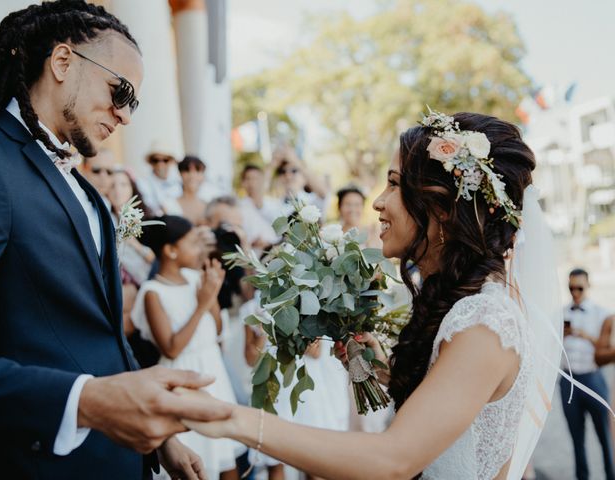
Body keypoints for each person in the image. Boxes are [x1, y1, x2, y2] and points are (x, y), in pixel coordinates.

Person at [176, 111, 562, 480]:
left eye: (394, 184)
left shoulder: (484, 323)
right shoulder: (464, 306)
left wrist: (232, 418)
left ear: (442, 207)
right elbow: (446, 421)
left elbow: (394, 459)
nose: (378, 201)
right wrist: (377, 369)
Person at [0, 2, 230, 478]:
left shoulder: (86, 190)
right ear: (63, 62)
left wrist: (162, 435)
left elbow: (103, 332)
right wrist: (84, 403)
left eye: (134, 103)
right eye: (121, 91)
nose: (126, 116)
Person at [132, 216, 241, 480]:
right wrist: (202, 304)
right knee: (196, 464)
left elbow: (215, 330)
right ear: (170, 250)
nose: (199, 250)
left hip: (212, 372)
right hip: (183, 380)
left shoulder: (195, 278)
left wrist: (212, 295)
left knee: (227, 460)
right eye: (192, 243)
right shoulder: (152, 292)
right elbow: (171, 348)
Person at [561, 268, 615, 480]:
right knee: (576, 438)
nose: (575, 292)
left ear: (588, 286)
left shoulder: (602, 314)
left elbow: (605, 349)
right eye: (571, 288)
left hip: (593, 379)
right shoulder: (561, 312)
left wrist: (585, 336)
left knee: (605, 435)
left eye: (579, 288)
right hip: (568, 381)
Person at [269, 148, 330, 220]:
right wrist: (272, 165)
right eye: (282, 171)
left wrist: (296, 160)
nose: (288, 176)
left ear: (304, 178)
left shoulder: (312, 200)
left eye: (294, 171)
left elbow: (323, 193)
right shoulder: (272, 206)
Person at [238, 164, 281, 252]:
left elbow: (281, 231)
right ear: (243, 182)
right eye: (248, 179)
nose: (252, 183)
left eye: (256, 178)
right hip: (252, 255)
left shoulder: (275, 204)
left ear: (262, 180)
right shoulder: (238, 207)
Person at [137, 142, 183, 216]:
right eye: (156, 160)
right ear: (151, 162)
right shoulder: (142, 183)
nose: (160, 164)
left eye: (165, 160)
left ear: (171, 161)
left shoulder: (179, 182)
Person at [337, 184, 382, 248]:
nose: (352, 209)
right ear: (339, 207)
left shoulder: (372, 232)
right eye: (348, 204)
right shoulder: (335, 235)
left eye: (357, 204)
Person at [176, 155, 207, 225]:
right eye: (187, 170)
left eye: (198, 170)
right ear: (180, 174)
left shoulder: (209, 207)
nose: (192, 175)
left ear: (203, 176)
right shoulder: (169, 206)